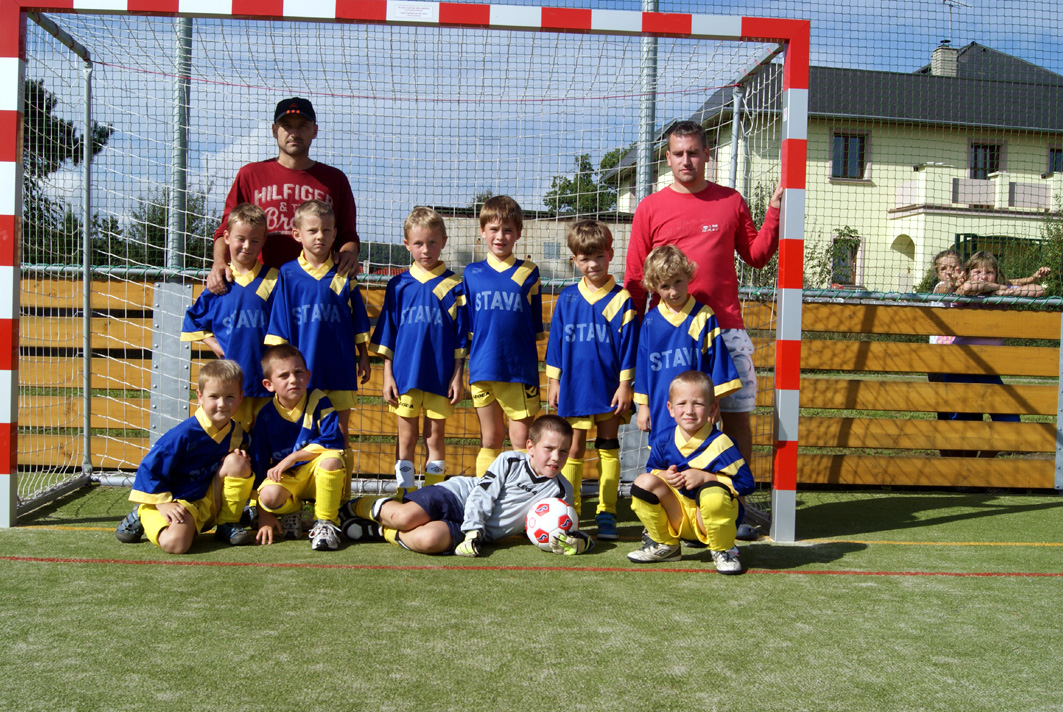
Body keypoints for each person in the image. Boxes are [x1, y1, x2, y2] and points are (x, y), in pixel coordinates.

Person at [624, 119, 783, 467]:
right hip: (671, 336)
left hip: (725, 329)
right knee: (677, 423)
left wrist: (774, 211)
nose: (686, 160)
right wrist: (631, 341)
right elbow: (636, 279)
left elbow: (757, 256)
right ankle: (679, 492)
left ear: (707, 154)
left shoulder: (730, 201)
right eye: (679, 153)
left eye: (693, 153)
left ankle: (735, 493)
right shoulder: (650, 207)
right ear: (667, 158)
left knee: (735, 418)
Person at [344, 415, 593, 557]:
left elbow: (566, 526)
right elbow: (483, 495)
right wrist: (473, 529)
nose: (556, 457)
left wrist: (580, 543)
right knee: (404, 518)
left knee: (428, 540)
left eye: (563, 451)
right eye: (548, 448)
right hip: (459, 497)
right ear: (530, 446)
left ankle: (379, 532)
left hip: (479, 533)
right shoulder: (510, 461)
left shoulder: (562, 491)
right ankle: (353, 507)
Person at [208, 97, 359, 294]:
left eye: (302, 125)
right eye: (286, 126)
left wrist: (348, 254)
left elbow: (347, 235)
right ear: (274, 130)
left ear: (314, 131)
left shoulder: (335, 179)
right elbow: (225, 229)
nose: (294, 133)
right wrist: (219, 262)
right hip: (260, 287)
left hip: (314, 288)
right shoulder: (250, 174)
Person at [545, 220, 637, 540]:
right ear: (575, 260)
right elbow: (556, 342)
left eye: (599, 256)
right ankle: (571, 510)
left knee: (608, 446)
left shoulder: (621, 299)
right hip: (575, 386)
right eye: (585, 258)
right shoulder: (568, 298)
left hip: (610, 387)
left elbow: (629, 347)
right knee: (573, 449)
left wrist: (625, 385)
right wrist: (554, 381)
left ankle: (607, 511)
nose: (593, 264)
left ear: (610, 254)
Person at [113, 360, 258, 553]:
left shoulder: (237, 433)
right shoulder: (181, 435)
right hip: (179, 501)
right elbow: (149, 469)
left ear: (241, 397)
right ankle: (144, 510)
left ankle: (227, 523)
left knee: (239, 462)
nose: (222, 404)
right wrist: (163, 503)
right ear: (200, 396)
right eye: (214, 396)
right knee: (176, 544)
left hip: (208, 499)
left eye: (229, 397)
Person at [370, 207, 468, 489]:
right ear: (406, 244)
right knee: (406, 437)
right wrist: (387, 376)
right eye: (418, 243)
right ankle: (405, 492)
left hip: (441, 376)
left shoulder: (455, 285)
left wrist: (457, 376)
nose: (426, 250)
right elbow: (388, 334)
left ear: (444, 241)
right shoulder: (398, 285)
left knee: (435, 438)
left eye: (433, 242)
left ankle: (433, 496)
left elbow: (460, 338)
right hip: (405, 377)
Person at [627, 371, 755, 574]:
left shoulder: (722, 444)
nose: (689, 410)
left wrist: (707, 477)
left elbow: (746, 484)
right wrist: (665, 476)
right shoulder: (663, 440)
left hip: (712, 519)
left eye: (698, 404)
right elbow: (653, 470)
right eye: (682, 403)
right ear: (670, 408)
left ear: (712, 408)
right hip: (679, 515)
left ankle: (723, 549)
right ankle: (665, 544)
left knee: (712, 493)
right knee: (643, 482)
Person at [264, 200, 371, 441]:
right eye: (312, 230)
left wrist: (364, 355)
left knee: (340, 432)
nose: (319, 236)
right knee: (302, 433)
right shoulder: (288, 273)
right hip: (301, 371)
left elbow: (358, 320)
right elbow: (279, 323)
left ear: (334, 234)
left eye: (326, 230)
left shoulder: (343, 273)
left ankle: (340, 468)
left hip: (339, 367)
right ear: (297, 234)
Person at [462, 195, 545, 476]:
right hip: (483, 367)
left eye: (508, 230)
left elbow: (534, 327)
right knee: (491, 439)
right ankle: (483, 497)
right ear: (482, 231)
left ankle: (520, 495)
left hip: (518, 370)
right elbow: (469, 325)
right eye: (494, 229)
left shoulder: (529, 272)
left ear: (518, 233)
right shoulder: (472, 273)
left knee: (521, 441)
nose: (500, 237)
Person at [935, 251, 1046, 457]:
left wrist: (1005, 292)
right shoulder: (963, 293)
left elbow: (1039, 290)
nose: (983, 276)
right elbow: (969, 287)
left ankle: (981, 465)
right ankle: (963, 469)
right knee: (964, 427)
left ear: (997, 274)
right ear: (968, 273)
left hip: (989, 371)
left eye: (989, 272)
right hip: (960, 369)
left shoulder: (1001, 293)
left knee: (1010, 423)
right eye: (977, 272)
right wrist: (996, 288)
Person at [181, 203, 277, 430]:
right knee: (231, 438)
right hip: (230, 385)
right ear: (226, 237)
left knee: (264, 439)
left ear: (263, 241)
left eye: (254, 240)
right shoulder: (220, 281)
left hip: (266, 381)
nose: (247, 246)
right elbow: (193, 320)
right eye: (240, 239)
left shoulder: (274, 279)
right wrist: (213, 344)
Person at [634, 245, 741, 446]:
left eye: (678, 282)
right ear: (654, 287)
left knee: (700, 452)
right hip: (662, 408)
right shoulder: (650, 322)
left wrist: (714, 403)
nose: (674, 291)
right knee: (665, 454)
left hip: (698, 408)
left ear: (688, 276)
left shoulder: (703, 315)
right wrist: (643, 407)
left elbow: (717, 362)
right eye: (665, 286)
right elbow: (642, 368)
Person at [250, 344, 348, 550]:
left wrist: (292, 458)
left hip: (315, 474)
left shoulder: (318, 400)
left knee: (332, 460)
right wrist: (264, 514)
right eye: (284, 376)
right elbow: (259, 465)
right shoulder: (265, 416)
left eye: (298, 372)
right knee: (268, 496)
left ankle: (325, 522)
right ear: (269, 384)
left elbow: (333, 440)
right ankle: (291, 511)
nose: (293, 380)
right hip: (287, 480)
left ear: (308, 375)